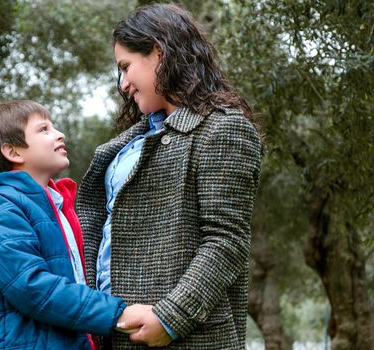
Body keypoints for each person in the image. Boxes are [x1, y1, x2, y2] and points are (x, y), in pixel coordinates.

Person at [77, 4, 263, 349]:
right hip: (111, 335)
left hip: (184, 339)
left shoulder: (223, 129)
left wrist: (170, 317)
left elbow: (227, 241)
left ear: (159, 53)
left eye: (126, 67)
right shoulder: (127, 143)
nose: (123, 84)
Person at [0, 100, 143, 350]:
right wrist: (119, 314)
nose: (59, 134)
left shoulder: (56, 207)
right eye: (44, 129)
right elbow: (34, 288)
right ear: (13, 152)